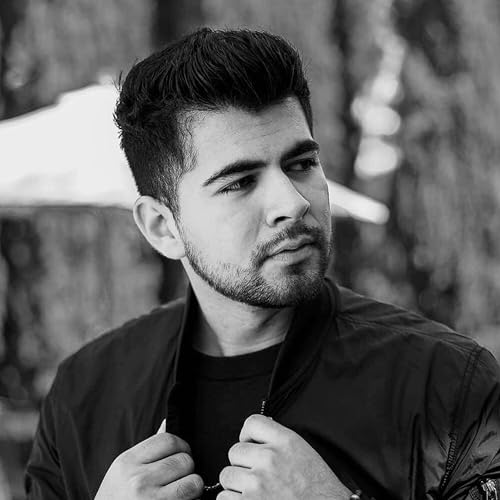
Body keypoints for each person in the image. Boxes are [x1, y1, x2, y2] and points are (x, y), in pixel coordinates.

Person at [25, 28, 500, 500]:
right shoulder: (83, 396)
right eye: (239, 182)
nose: (292, 203)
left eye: (301, 164)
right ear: (162, 227)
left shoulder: (447, 383)